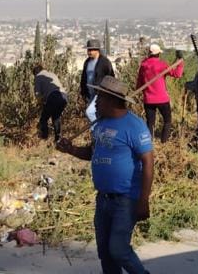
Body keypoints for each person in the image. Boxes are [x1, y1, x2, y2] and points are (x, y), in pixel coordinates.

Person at [56, 76, 154, 274]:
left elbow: (148, 163)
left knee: (118, 250)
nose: (96, 103)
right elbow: (93, 153)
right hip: (103, 199)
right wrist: (71, 150)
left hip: (126, 199)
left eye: (99, 98)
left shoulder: (134, 126)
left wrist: (143, 201)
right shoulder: (100, 124)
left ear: (111, 101)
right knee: (105, 252)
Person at [137, 44, 184, 143]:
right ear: (158, 54)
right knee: (167, 120)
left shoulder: (143, 65)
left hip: (148, 99)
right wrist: (180, 63)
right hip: (162, 99)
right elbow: (177, 74)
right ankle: (164, 142)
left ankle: (148, 144)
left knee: (150, 123)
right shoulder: (162, 65)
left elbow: (139, 84)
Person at [80, 39, 115, 123]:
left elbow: (111, 77)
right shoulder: (87, 62)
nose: (89, 52)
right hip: (90, 93)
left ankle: (98, 129)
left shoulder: (105, 62)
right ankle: (99, 133)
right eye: (88, 50)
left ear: (97, 50)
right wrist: (83, 92)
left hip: (100, 93)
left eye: (91, 50)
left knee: (90, 112)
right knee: (97, 114)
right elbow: (84, 77)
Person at [33, 62, 67, 142]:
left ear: (35, 73)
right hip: (64, 96)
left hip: (53, 96)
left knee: (43, 119)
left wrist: (40, 104)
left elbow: (38, 95)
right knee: (56, 117)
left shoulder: (38, 77)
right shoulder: (52, 74)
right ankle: (58, 139)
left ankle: (44, 139)